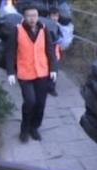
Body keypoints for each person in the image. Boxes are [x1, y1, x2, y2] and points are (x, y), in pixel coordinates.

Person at [6, 3, 58, 143]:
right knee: (30, 101)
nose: (32, 18)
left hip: (42, 72)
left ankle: (34, 127)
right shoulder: (17, 30)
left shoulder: (44, 29)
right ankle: (24, 129)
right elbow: (10, 52)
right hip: (25, 73)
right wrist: (10, 72)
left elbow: (50, 50)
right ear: (24, 16)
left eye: (34, 15)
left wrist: (53, 69)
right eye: (29, 16)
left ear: (38, 16)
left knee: (40, 103)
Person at [47, 6, 63, 96]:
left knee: (54, 71)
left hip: (55, 53)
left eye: (56, 16)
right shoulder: (45, 25)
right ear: (49, 16)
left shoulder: (58, 26)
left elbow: (62, 39)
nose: (54, 18)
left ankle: (52, 89)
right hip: (45, 52)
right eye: (53, 16)